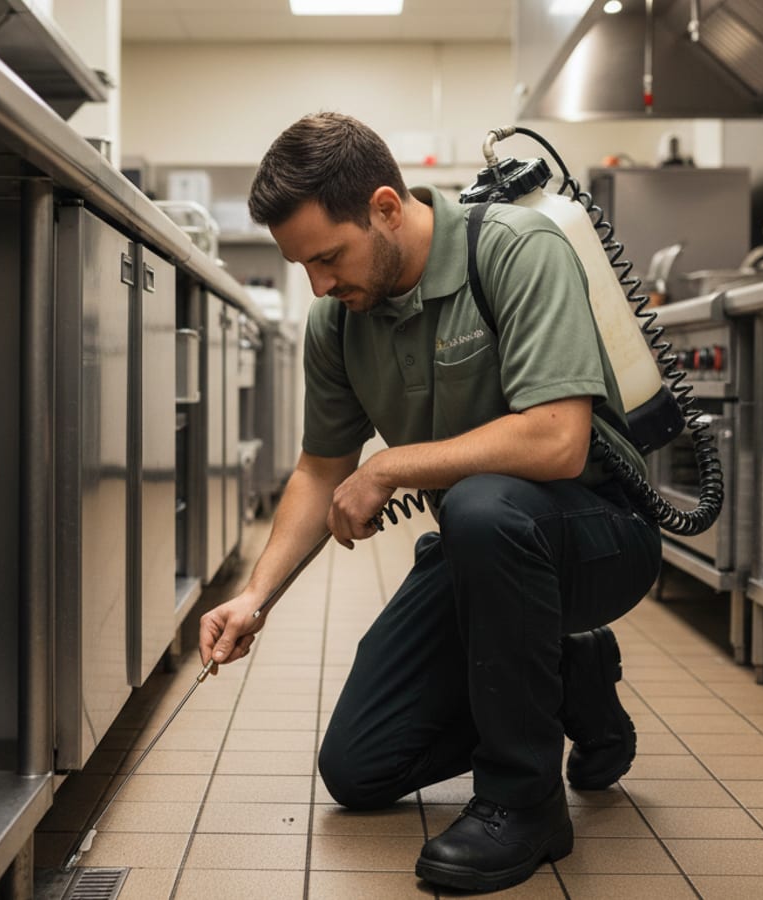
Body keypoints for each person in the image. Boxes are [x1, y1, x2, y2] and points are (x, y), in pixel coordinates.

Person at [198, 112, 661, 893]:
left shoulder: (513, 250)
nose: (318, 285)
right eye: (301, 266)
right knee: (360, 765)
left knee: (479, 508)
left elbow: (558, 441)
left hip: (598, 535)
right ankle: (569, 675)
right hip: (486, 553)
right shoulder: (338, 322)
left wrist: (394, 467)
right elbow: (320, 469)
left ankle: (524, 801)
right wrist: (256, 596)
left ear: (384, 207)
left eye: (327, 257)